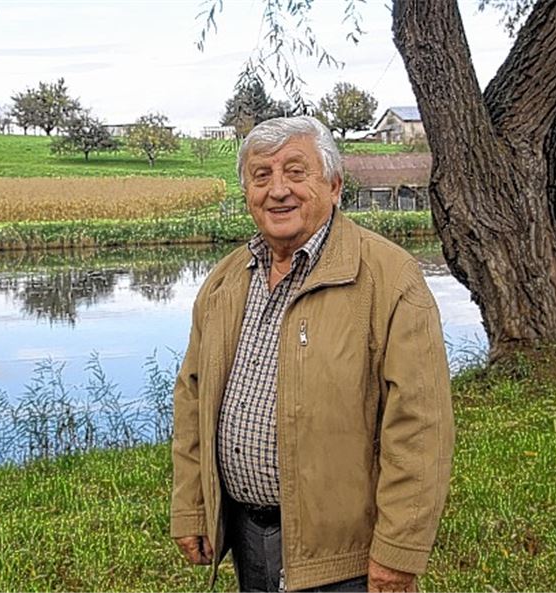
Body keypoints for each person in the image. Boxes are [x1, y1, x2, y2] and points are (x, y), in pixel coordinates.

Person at [171, 115, 454, 592]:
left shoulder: (389, 278)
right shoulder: (225, 280)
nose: (277, 190)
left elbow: (420, 426)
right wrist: (193, 505)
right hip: (246, 534)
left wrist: (399, 550)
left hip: (345, 557)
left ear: (335, 185)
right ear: (247, 193)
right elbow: (192, 398)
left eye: (296, 172)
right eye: (261, 176)